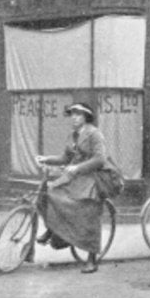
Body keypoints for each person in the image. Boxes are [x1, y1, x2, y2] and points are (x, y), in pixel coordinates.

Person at [34, 102, 109, 274]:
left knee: (88, 212)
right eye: (72, 114)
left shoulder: (94, 134)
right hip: (75, 177)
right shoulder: (73, 135)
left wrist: (77, 168)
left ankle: (91, 259)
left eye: (78, 114)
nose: (74, 118)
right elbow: (65, 157)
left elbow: (100, 159)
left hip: (92, 177)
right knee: (48, 192)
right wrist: (46, 159)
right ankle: (53, 229)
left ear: (86, 117)